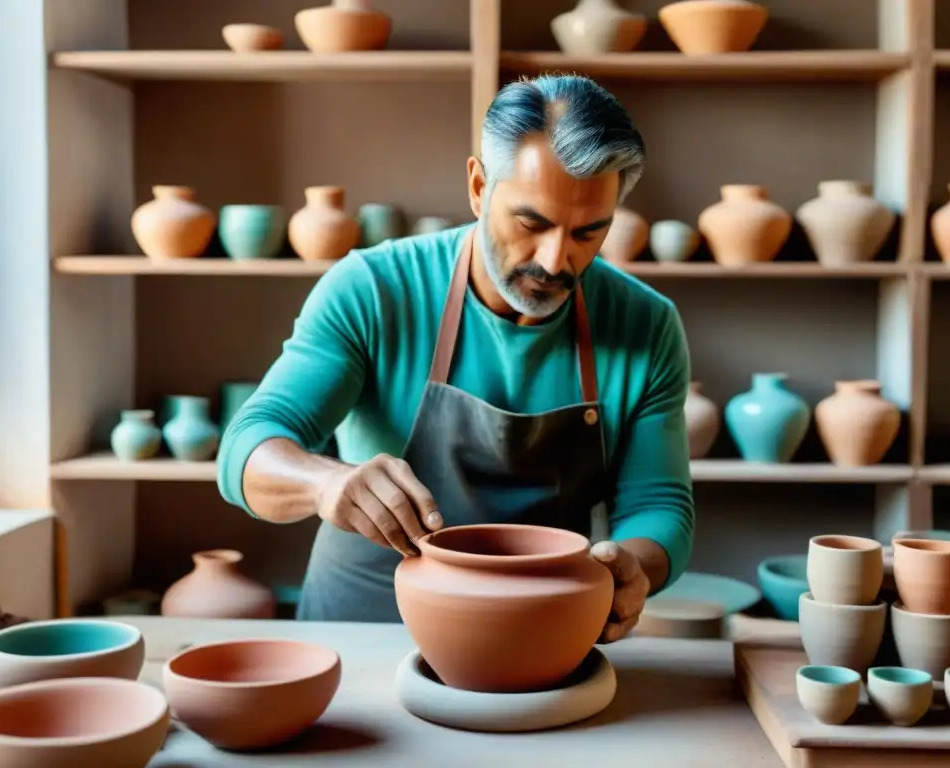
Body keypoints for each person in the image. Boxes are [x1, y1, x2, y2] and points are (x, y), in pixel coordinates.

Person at [217, 74, 695, 642]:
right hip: (364, 627)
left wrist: (633, 567)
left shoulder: (645, 323)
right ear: (477, 186)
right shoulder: (373, 288)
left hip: (535, 631)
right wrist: (326, 484)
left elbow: (659, 503)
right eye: (531, 222)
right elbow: (247, 443)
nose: (555, 259)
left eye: (589, 232)